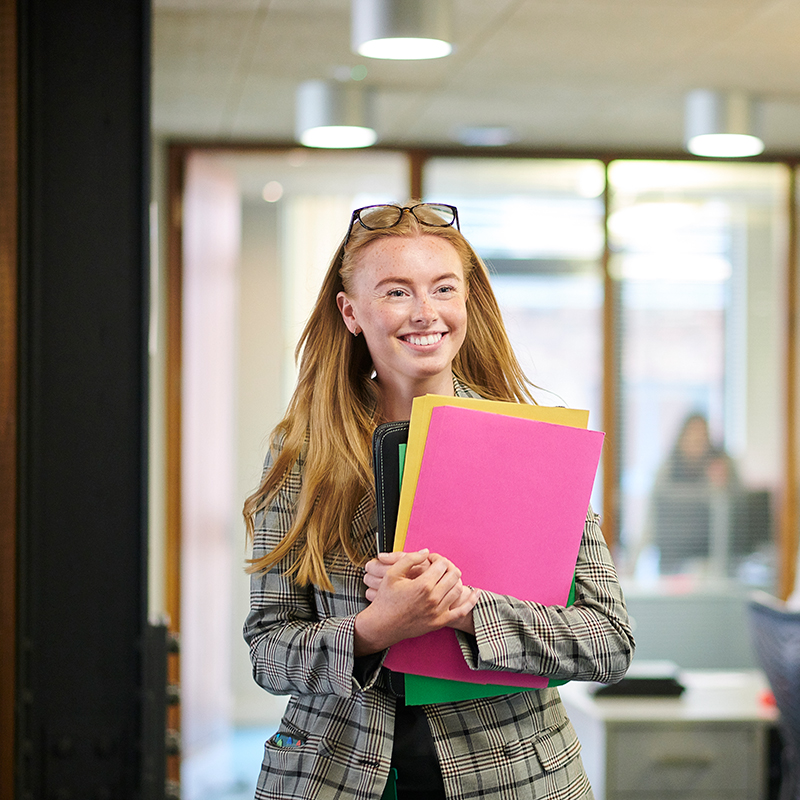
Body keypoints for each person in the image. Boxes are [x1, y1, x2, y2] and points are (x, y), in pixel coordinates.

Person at [243, 202, 635, 800]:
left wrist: (466, 610)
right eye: (397, 292)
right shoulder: (302, 453)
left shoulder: (531, 445)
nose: (425, 313)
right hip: (335, 776)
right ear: (351, 312)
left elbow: (607, 642)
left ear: (467, 302)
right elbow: (270, 654)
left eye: (443, 288)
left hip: (513, 777)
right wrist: (371, 630)